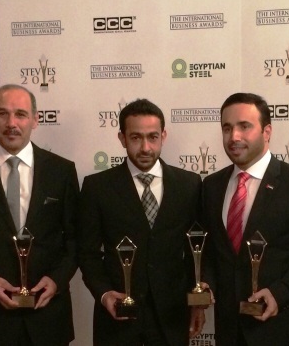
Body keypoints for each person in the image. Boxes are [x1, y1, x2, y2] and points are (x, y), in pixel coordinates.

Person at [200, 92, 289, 346]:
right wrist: (205, 282)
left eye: (244, 126)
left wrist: (279, 293)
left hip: (281, 328)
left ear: (267, 131)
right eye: (227, 128)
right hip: (228, 331)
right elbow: (210, 251)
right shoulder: (211, 186)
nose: (234, 137)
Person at [78, 98, 204, 346]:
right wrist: (104, 295)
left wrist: (197, 304)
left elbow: (195, 253)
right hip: (117, 316)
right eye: (136, 138)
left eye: (152, 137)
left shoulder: (189, 185)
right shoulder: (97, 187)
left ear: (163, 136)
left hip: (172, 316)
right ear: (122, 138)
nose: (145, 147)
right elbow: (87, 252)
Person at [0, 84, 79, 346]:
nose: (11, 123)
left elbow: (76, 239)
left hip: (49, 317)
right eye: (2, 113)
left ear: (35, 120)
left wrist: (57, 280)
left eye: (20, 114)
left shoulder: (61, 171)